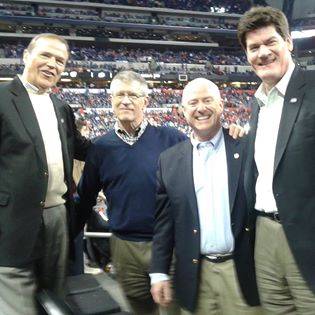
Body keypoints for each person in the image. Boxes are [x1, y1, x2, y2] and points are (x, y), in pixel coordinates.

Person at [77, 70, 186, 315]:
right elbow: (85, 197)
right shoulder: (100, 148)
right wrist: (67, 232)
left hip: (168, 244)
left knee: (172, 308)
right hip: (125, 247)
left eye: (133, 95)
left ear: (145, 101)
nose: (126, 100)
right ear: (111, 100)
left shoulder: (172, 138)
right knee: (138, 309)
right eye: (120, 95)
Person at [150, 78, 261, 315]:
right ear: (182, 111)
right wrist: (158, 272)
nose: (201, 108)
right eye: (193, 102)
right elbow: (164, 223)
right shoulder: (169, 160)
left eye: (208, 100)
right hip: (195, 274)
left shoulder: (246, 147)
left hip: (241, 271)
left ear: (221, 105)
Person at [0, 33, 90, 315]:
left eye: (60, 60)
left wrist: (130, 131)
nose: (53, 64)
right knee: (15, 300)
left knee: (54, 297)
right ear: (26, 56)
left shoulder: (61, 107)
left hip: (57, 217)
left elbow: (83, 149)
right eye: (46, 55)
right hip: (12, 219)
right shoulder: (2, 99)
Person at [237, 6, 315, 314]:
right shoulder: (259, 103)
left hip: (308, 236)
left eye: (271, 42)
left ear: (289, 42)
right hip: (264, 234)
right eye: (254, 47)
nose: (263, 52)